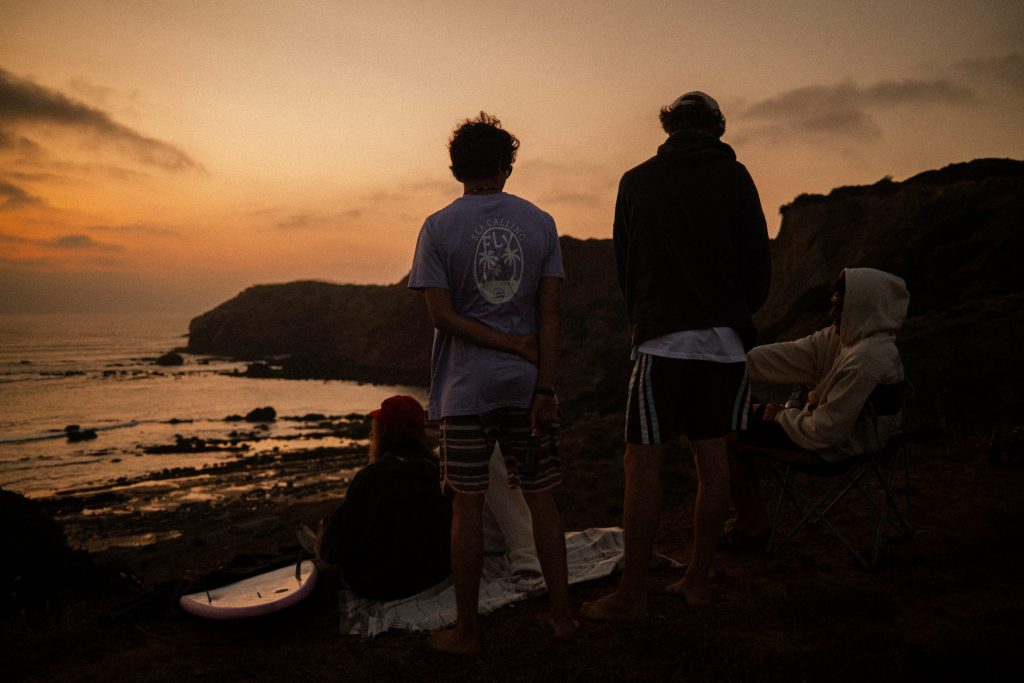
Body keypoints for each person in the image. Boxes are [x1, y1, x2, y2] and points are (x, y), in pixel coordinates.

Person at [582, 91, 771, 617]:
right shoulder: (737, 179)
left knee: (642, 463)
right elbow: (759, 264)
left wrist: (646, 315)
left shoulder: (637, 181)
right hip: (725, 345)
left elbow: (626, 262)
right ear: (718, 128)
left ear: (669, 127)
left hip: (661, 340)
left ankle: (633, 594)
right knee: (713, 462)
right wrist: (733, 312)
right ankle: (696, 581)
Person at [408, 112, 575, 654]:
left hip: (464, 390)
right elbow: (550, 316)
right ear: (507, 166)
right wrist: (543, 385)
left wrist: (499, 347)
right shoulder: (540, 222)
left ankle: (468, 631)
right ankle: (562, 617)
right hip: (527, 386)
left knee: (467, 507)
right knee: (543, 500)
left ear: (456, 168)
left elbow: (441, 316)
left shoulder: (437, 227)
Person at [726, 268, 909, 543]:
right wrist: (730, 362)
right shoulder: (849, 340)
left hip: (841, 448)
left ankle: (751, 525)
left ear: (861, 307)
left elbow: (826, 432)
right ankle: (751, 520)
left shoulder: (864, 359)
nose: (831, 313)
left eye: (839, 306)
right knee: (739, 416)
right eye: (833, 304)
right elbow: (795, 355)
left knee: (724, 433)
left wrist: (781, 416)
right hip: (841, 435)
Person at [320, 395, 452, 601]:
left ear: (382, 432)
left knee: (333, 538)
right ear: (421, 431)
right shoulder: (440, 472)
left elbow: (334, 549)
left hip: (382, 586)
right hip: (436, 576)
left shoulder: (371, 478)